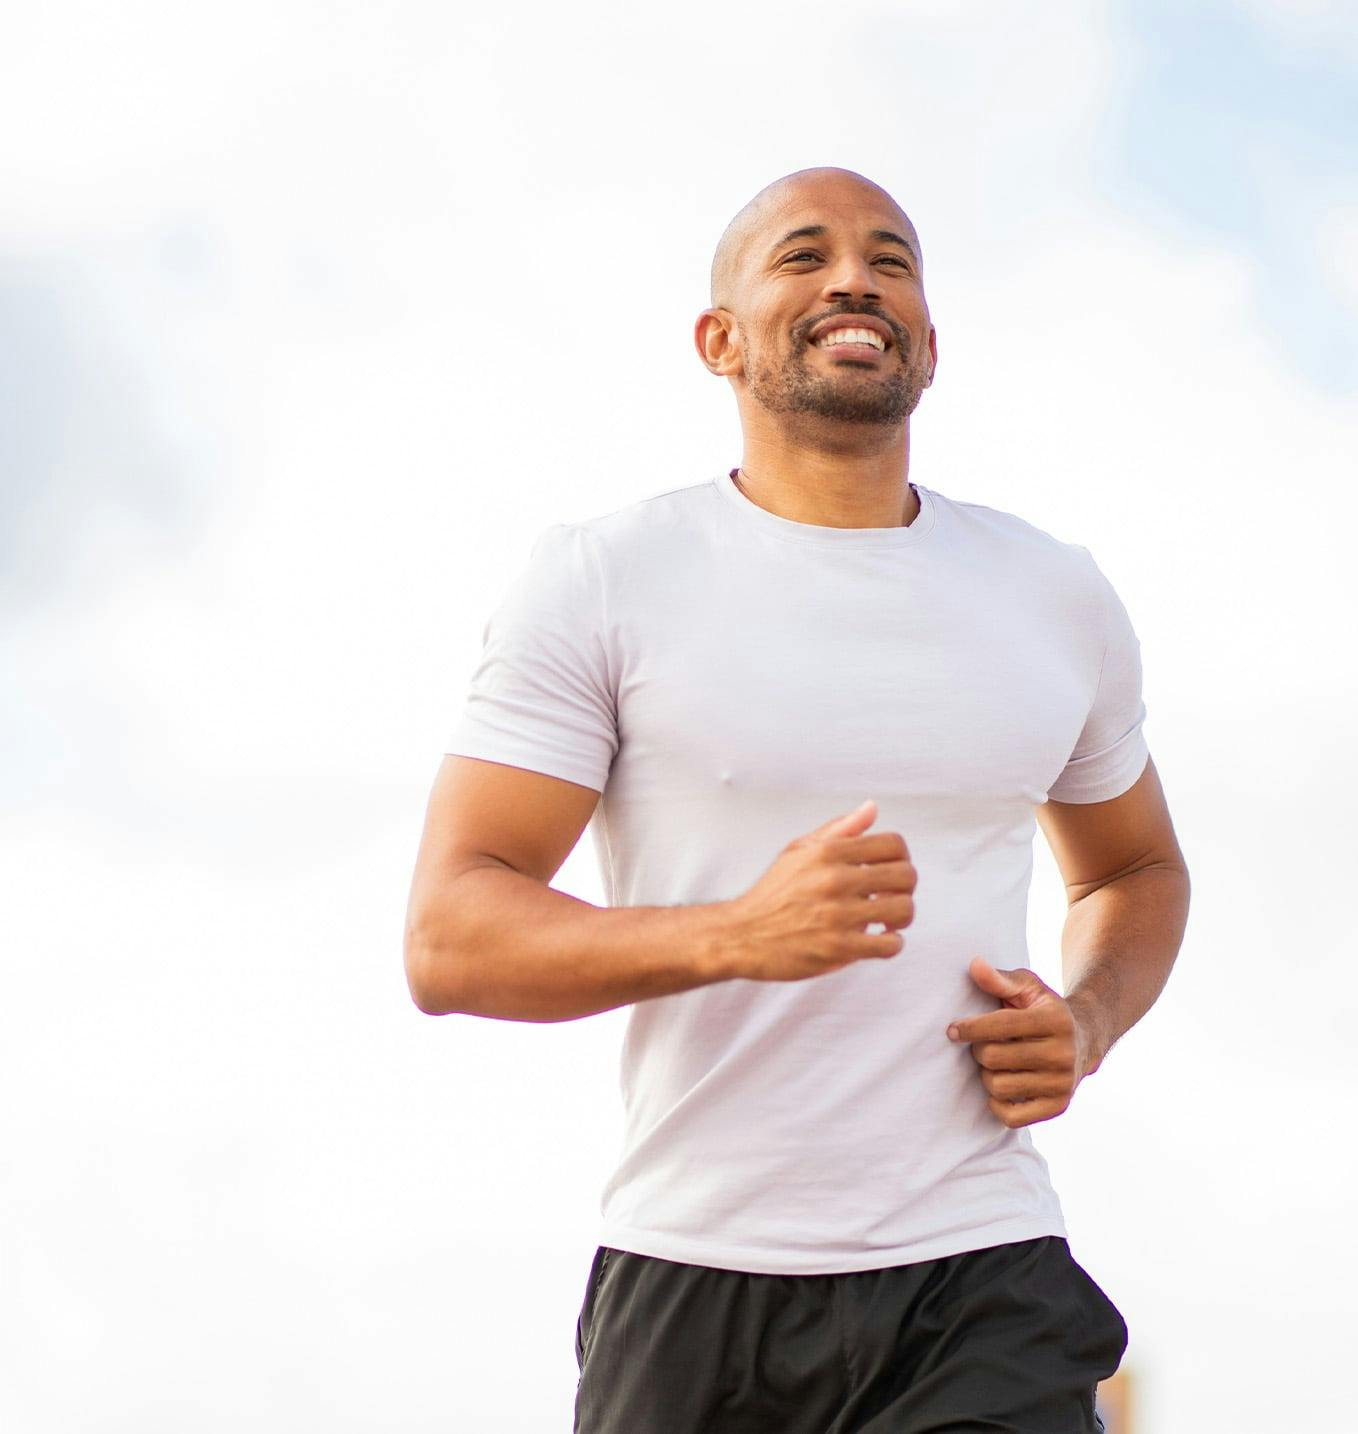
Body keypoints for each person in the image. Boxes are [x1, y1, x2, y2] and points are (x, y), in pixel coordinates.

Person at [403, 166, 1191, 1433]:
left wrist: (1087, 1019)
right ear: (718, 340)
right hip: (696, 1277)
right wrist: (733, 933)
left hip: (981, 1270)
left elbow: (1132, 869)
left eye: (890, 260)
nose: (853, 279)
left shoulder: (1053, 594)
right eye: (802, 255)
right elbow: (450, 939)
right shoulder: (604, 577)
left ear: (927, 341)